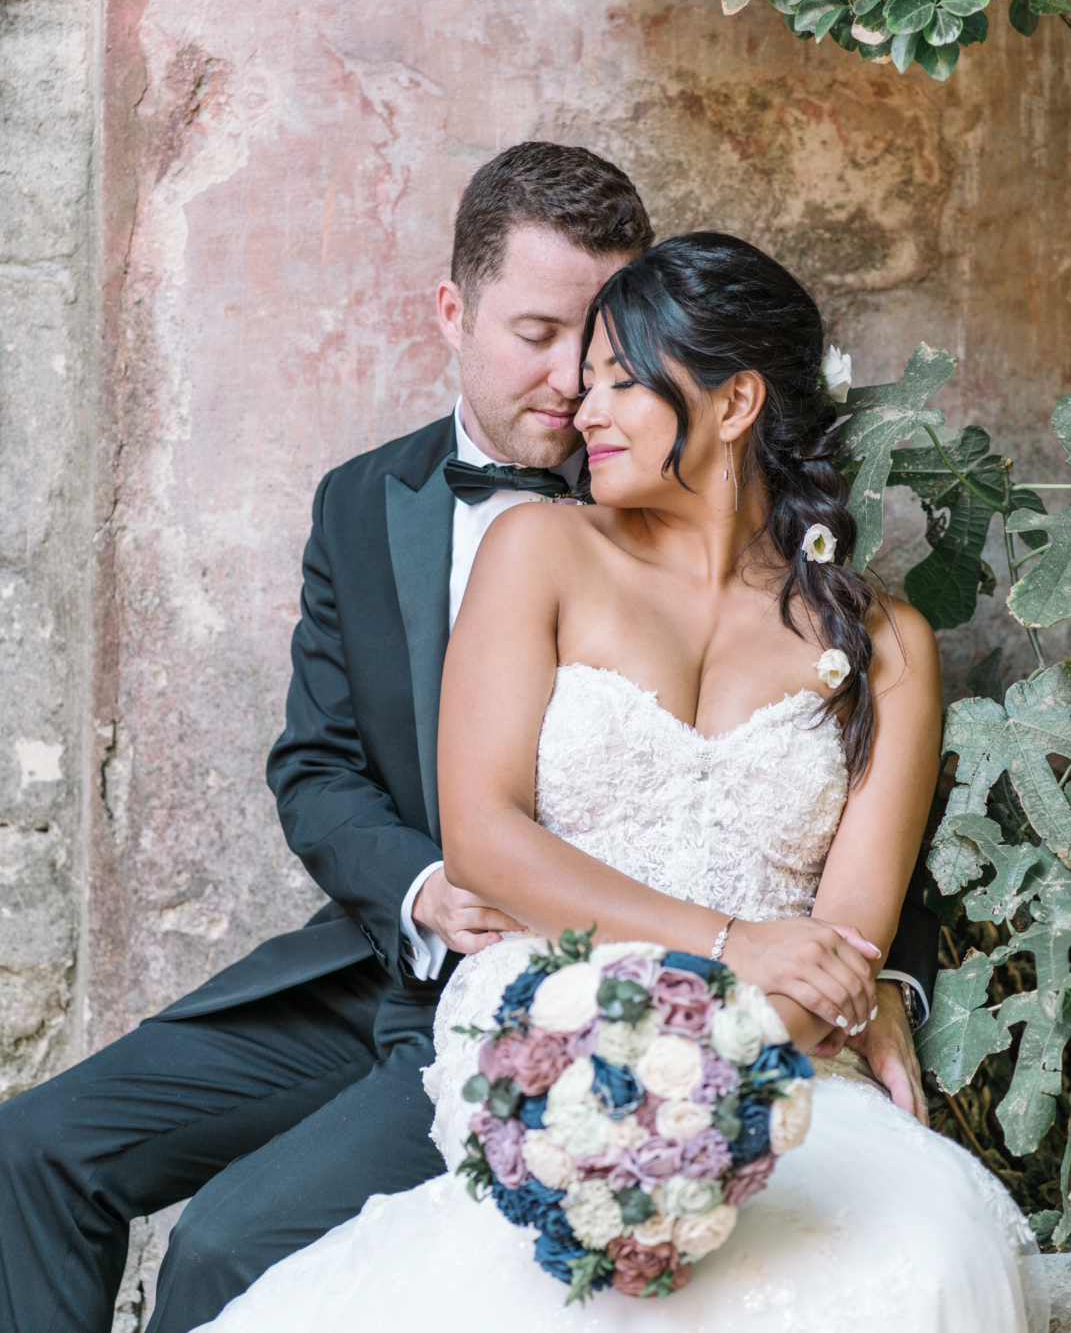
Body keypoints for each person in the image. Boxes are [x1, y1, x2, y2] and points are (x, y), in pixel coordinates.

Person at [0, 149, 932, 1333]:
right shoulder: (365, 502)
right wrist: (427, 885)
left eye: (602, 351)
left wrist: (861, 977)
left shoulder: (791, 586)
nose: (570, 388)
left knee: (228, 1246)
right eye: (538, 336)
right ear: (455, 312)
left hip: (598, 999)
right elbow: (319, 765)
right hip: (381, 967)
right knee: (29, 1150)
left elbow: (814, 819)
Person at [193, 232, 1046, 1333]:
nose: (582, 411)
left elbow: (843, 944)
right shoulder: (538, 550)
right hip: (538, 1024)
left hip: (782, 1052)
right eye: (581, 379)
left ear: (734, 403)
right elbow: (487, 838)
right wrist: (713, 966)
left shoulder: (888, 641)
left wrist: (704, 1082)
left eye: (620, 382)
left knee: (917, 1255)